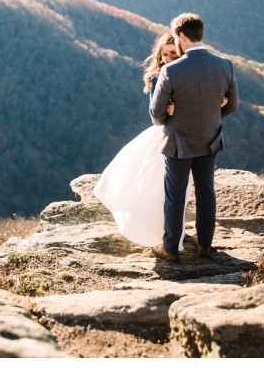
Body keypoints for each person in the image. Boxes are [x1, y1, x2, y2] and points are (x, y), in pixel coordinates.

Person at [149, 13, 238, 263]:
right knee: (206, 192)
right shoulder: (225, 65)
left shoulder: (172, 71)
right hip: (210, 139)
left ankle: (171, 248)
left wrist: (169, 114)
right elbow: (232, 106)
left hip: (178, 142)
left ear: (181, 36)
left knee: (175, 196)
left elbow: (156, 115)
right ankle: (205, 245)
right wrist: (213, 112)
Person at [93, 31, 187, 249]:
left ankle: (175, 231)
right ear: (159, 55)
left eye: (174, 53)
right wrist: (167, 109)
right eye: (165, 54)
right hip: (164, 137)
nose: (169, 58)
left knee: (179, 190)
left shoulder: (187, 73)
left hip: (185, 138)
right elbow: (155, 116)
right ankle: (160, 233)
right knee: (158, 189)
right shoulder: (158, 76)